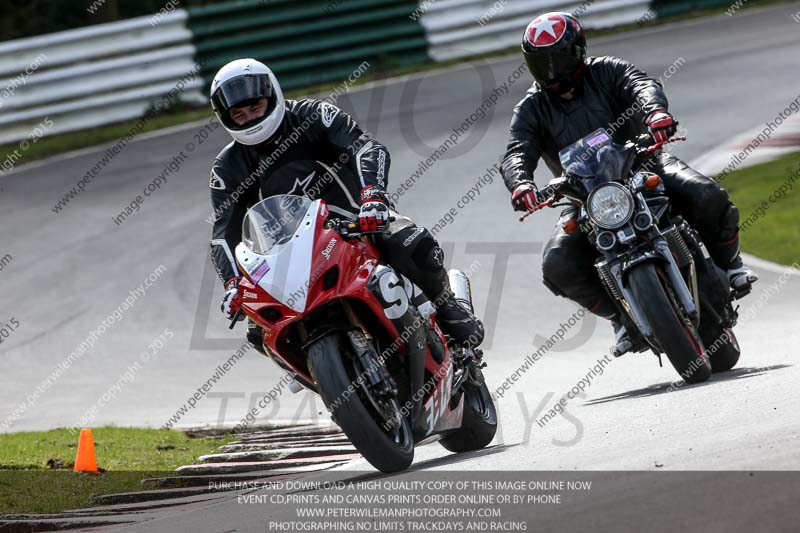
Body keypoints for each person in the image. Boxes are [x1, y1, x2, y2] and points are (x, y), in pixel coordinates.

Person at [500, 12, 758, 354]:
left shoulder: (607, 70)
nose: (551, 71)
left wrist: (655, 113)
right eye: (541, 63)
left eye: (557, 59)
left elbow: (642, 84)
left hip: (645, 164)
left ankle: (731, 267)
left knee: (706, 194)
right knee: (556, 263)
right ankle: (621, 318)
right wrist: (521, 184)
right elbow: (517, 150)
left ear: (577, 51)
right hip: (583, 196)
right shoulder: (530, 108)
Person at [208, 59, 484, 353]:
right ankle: (318, 370)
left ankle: (448, 308)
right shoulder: (228, 168)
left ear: (272, 96)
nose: (249, 118)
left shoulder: (315, 116)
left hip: (359, 222)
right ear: (227, 119)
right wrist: (232, 283)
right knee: (257, 329)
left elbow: (366, 148)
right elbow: (223, 234)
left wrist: (373, 195)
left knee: (412, 244)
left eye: (255, 108)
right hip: (293, 254)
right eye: (239, 114)